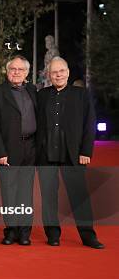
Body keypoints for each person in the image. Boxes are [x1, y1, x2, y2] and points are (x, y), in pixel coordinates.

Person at [36, 57, 104, 249]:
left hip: (73, 154)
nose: (58, 75)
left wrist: (86, 151)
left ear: (67, 72)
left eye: (61, 71)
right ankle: (53, 235)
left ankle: (88, 236)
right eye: (54, 72)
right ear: (49, 75)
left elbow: (89, 125)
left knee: (79, 196)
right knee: (49, 197)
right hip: (46, 154)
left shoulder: (81, 95)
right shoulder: (41, 95)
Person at [0, 55, 37, 246]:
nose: (16, 72)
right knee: (9, 193)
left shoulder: (33, 90)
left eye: (20, 70)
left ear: (26, 73)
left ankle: (25, 232)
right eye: (12, 69)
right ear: (7, 71)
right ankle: (11, 231)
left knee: (26, 193)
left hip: (30, 147)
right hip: (8, 149)